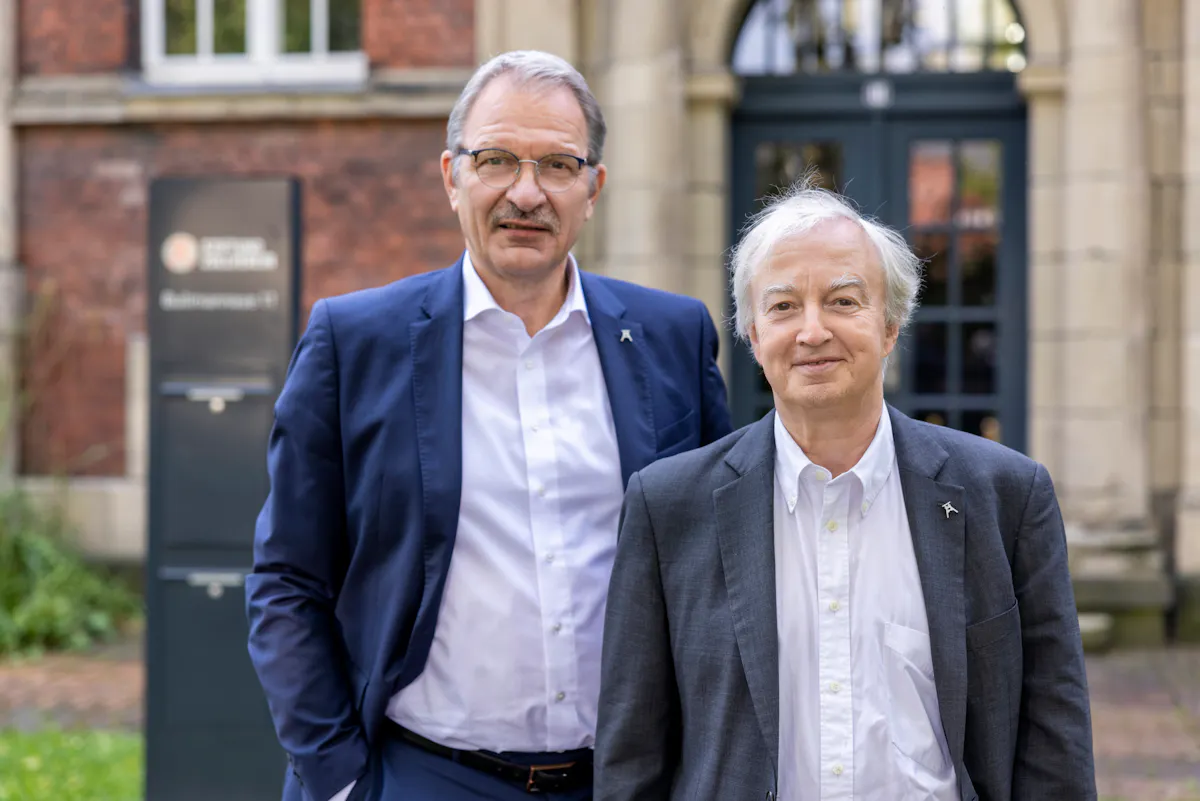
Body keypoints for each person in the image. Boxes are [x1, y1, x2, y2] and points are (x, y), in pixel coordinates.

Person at [245, 50, 732, 801]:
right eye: (497, 159)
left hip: (624, 779)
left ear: (594, 187)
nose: (526, 192)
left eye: (558, 165)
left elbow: (714, 569)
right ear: (452, 176)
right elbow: (286, 578)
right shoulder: (356, 342)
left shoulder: (674, 338)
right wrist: (341, 778)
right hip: (421, 773)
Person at [593, 179, 1096, 801]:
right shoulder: (668, 508)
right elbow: (631, 755)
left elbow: (1054, 734)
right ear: (753, 336)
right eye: (781, 307)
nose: (812, 331)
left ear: (890, 327)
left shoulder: (1007, 496)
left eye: (842, 301)